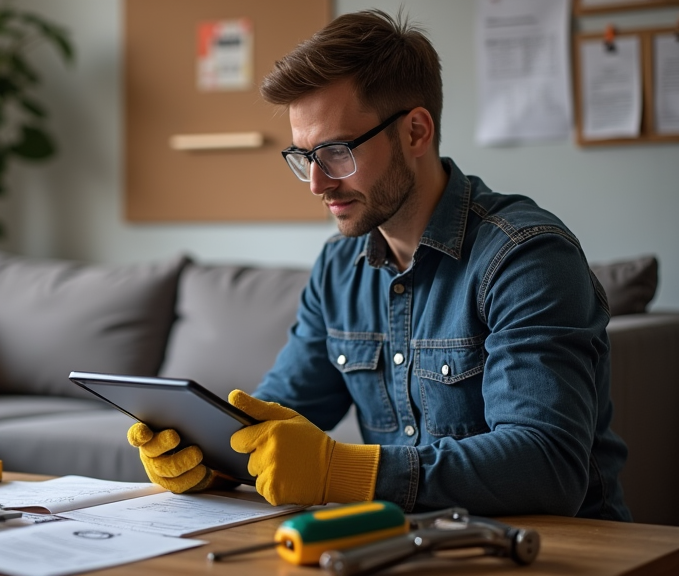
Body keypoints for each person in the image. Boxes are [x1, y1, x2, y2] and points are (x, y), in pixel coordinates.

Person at [126, 9, 630, 521]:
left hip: (556, 551)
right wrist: (210, 458)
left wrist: (343, 472)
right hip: (403, 546)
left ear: (415, 132)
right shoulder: (339, 267)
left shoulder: (526, 256)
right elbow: (279, 416)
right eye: (303, 158)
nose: (317, 184)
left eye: (336, 151)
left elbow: (548, 466)